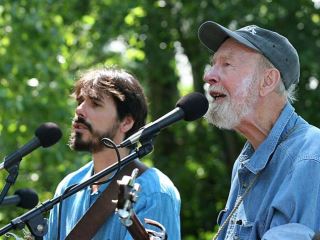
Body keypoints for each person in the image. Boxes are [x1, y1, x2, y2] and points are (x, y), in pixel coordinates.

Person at [198, 21, 320, 239]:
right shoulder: (245, 162)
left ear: (267, 81)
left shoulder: (312, 159)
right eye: (213, 64)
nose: (209, 76)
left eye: (227, 64)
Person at [45, 67, 181, 239]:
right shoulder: (68, 187)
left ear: (126, 122)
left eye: (94, 103)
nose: (79, 110)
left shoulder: (154, 192)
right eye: (80, 101)